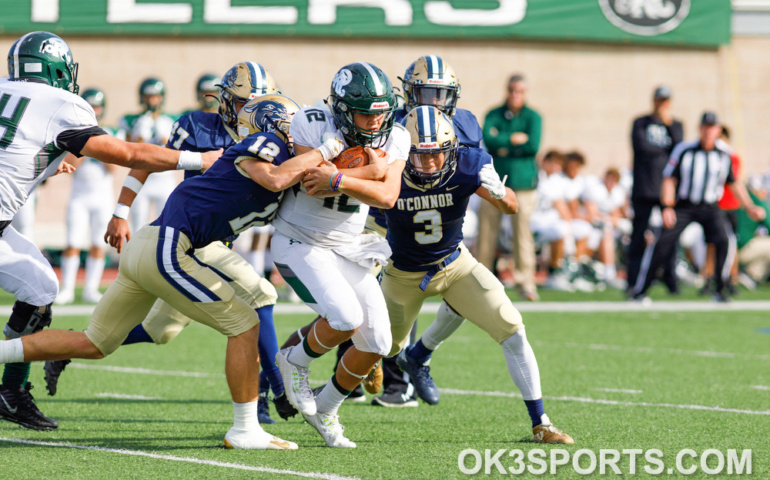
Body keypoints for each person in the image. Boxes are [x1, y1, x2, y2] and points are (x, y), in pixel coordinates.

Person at [0, 94, 347, 449]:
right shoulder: (266, 144)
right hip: (168, 245)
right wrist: (325, 149)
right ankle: (245, 429)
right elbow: (274, 179)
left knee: (94, 343)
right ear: (277, 123)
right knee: (244, 323)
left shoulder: (285, 157)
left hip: (152, 246)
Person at [46, 62, 292, 425]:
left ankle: (63, 348)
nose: (249, 112)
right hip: (190, 238)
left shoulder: (271, 138)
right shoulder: (197, 124)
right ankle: (272, 394)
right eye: (242, 103)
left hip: (214, 242)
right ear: (226, 101)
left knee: (162, 330)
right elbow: (147, 161)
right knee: (260, 296)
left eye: (257, 103)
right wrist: (120, 210)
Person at [0, 31, 218, 431]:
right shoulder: (60, 102)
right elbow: (131, 153)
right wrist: (198, 159)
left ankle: (10, 393)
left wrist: (48, 163)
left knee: (42, 290)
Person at [381, 105, 573, 444]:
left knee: (512, 328)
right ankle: (324, 402)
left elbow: (511, 205)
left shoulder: (467, 160)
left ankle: (540, 421)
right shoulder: (389, 160)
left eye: (436, 153)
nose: (428, 162)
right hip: (402, 271)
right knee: (380, 346)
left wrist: (499, 192)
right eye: (419, 154)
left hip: (453, 263)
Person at [273, 62, 410, 448]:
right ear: (343, 109)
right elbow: (311, 182)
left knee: (379, 342)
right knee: (346, 318)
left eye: (381, 112)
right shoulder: (313, 120)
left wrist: (338, 176)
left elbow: (388, 195)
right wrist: (369, 172)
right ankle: (294, 361)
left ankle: (327, 408)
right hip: (301, 239)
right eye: (366, 113)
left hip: (349, 246)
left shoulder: (396, 135)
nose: (375, 122)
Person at [373, 55, 478, 408]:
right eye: (425, 92)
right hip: (387, 217)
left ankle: (414, 360)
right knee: (380, 298)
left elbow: (477, 168)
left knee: (463, 290)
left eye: (440, 93)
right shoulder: (393, 124)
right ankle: (387, 379)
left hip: (444, 218)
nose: (433, 101)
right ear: (408, 92)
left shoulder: (465, 122)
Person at [632, 111, 765, 302]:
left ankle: (720, 289)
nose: (708, 132)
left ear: (717, 130)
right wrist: (667, 207)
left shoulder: (724, 154)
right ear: (700, 128)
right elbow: (670, 179)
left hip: (710, 206)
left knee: (724, 241)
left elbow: (734, 182)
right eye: (705, 127)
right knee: (661, 242)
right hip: (684, 205)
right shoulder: (684, 150)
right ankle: (640, 290)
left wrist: (749, 206)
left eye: (712, 128)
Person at [56, 88, 124, 305]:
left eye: (97, 106)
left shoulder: (111, 132)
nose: (94, 110)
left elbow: (113, 167)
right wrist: (85, 144)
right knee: (73, 242)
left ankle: (90, 289)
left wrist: (98, 144)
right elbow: (71, 164)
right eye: (91, 106)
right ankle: (67, 288)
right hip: (79, 197)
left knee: (97, 243)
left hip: (102, 198)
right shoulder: (73, 132)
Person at [477, 74, 541, 301]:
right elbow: (488, 140)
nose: (516, 95)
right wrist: (513, 140)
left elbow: (533, 145)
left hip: (523, 185)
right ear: (507, 90)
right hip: (495, 181)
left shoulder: (533, 117)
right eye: (513, 90)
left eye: (520, 91)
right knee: (486, 232)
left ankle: (526, 281)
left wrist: (503, 143)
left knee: (522, 234)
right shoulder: (494, 114)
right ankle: (481, 279)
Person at [627, 86, 684, 294]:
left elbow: (679, 149)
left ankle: (670, 280)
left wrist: (668, 124)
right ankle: (633, 281)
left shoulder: (676, 125)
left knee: (669, 236)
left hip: (666, 189)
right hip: (644, 187)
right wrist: (664, 152)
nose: (662, 105)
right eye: (659, 100)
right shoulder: (640, 122)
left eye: (666, 101)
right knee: (638, 237)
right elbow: (642, 148)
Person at [120, 78, 178, 234]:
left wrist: (166, 139)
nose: (152, 100)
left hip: (165, 180)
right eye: (148, 96)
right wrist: (139, 135)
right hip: (142, 180)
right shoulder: (132, 120)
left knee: (166, 228)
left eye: (155, 96)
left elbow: (176, 152)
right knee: (138, 227)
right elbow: (127, 152)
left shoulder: (171, 120)